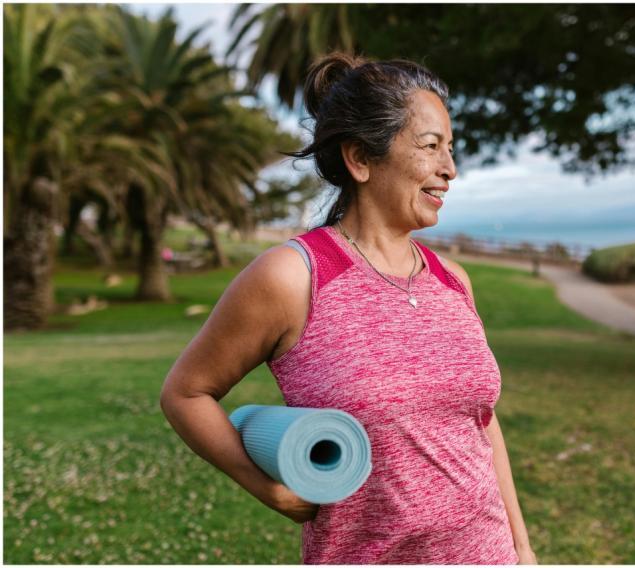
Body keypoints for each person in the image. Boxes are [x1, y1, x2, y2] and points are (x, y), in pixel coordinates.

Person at [159, 51, 536, 565]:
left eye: (451, 149)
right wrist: (266, 487)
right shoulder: (294, 277)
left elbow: (482, 423)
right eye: (431, 147)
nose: (450, 169)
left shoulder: (454, 281)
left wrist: (521, 546)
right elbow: (186, 393)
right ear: (360, 158)